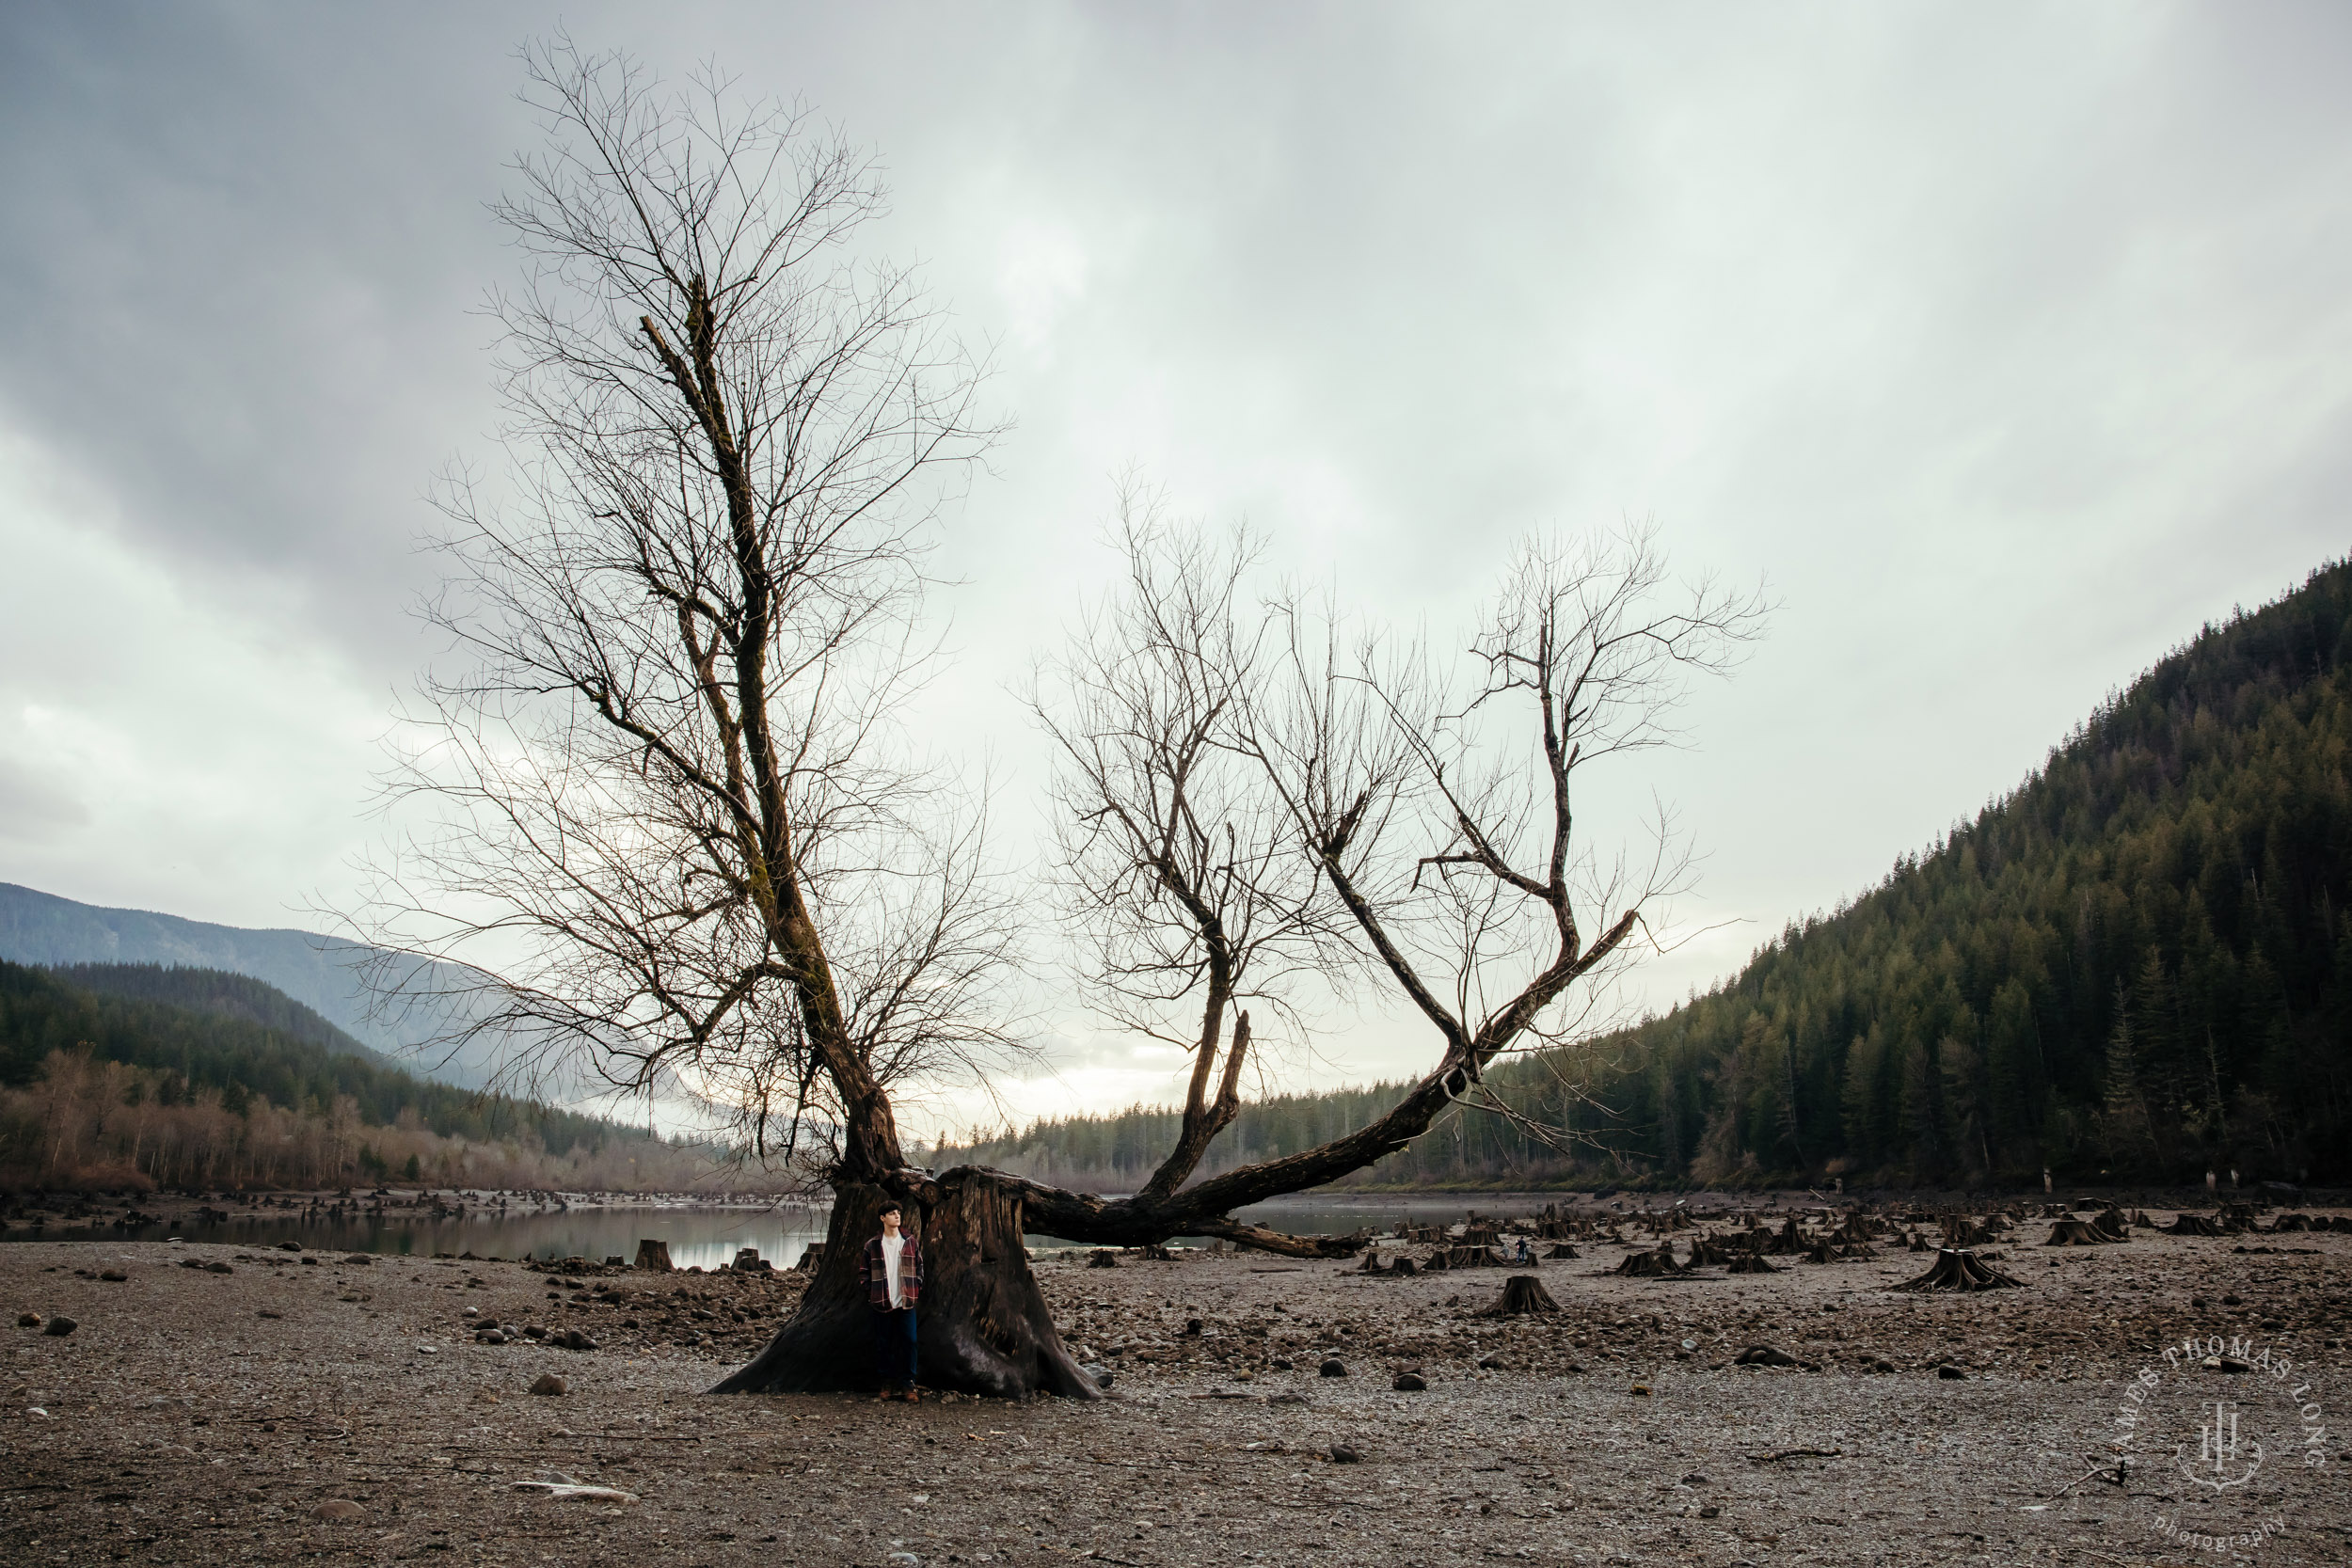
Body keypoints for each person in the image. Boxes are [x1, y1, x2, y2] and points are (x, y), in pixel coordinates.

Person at [863, 1201, 923, 1402]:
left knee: (910, 1341)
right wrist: (871, 1293)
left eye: (898, 1213)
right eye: (891, 1214)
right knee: (883, 1343)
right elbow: (864, 1273)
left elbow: (920, 1266)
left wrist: (917, 1288)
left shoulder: (909, 1241)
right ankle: (886, 1382)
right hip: (882, 1301)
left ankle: (908, 1383)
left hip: (906, 1301)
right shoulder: (873, 1245)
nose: (897, 1216)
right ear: (882, 1218)